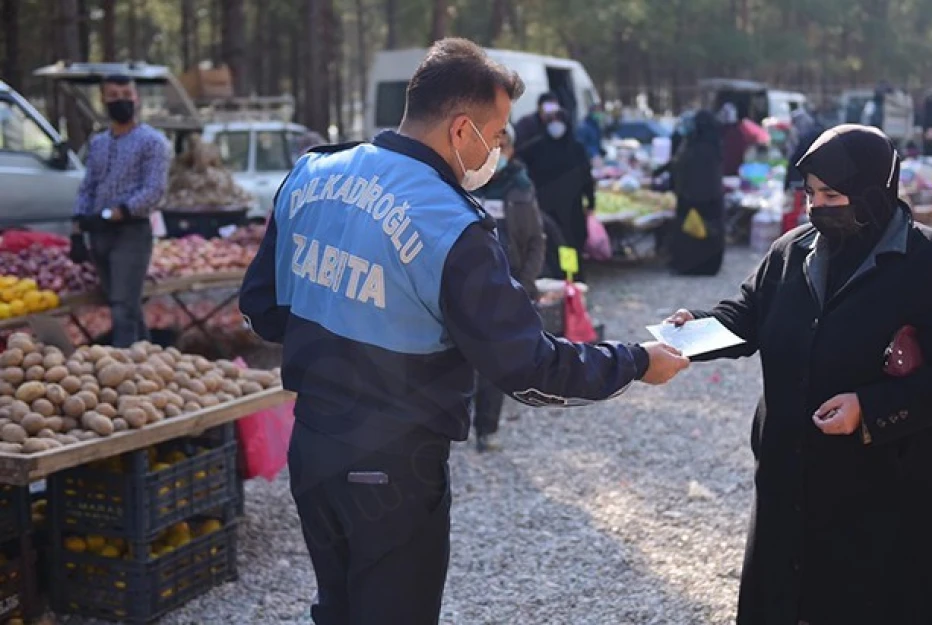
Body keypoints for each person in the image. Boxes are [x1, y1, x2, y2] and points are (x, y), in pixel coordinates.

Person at [239, 38, 689, 625]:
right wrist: (634, 362)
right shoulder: (452, 223)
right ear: (460, 130)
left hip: (315, 445)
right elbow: (527, 370)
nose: (499, 149)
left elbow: (260, 310)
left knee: (338, 608)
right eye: (497, 133)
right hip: (395, 462)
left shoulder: (312, 172)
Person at [664, 124, 932, 625]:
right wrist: (694, 330)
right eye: (812, 193)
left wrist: (872, 409)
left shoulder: (930, 263)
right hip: (790, 475)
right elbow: (747, 315)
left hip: (885, 488)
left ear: (873, 192)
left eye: (833, 194)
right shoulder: (792, 251)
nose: (819, 207)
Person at [71, 74, 171, 347]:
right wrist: (78, 224)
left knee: (122, 306)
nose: (121, 101)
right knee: (124, 300)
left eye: (126, 94)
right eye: (113, 96)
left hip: (131, 232)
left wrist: (118, 212)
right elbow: (89, 185)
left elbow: (154, 190)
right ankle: (149, 357)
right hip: (99, 235)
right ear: (103, 99)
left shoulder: (153, 142)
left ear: (137, 98)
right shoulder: (98, 143)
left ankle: (122, 363)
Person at [469, 122, 547, 452]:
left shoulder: (520, 187)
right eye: (491, 145)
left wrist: (525, 283)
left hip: (506, 285)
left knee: (493, 362)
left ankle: (486, 429)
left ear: (511, 151)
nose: (495, 153)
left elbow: (535, 241)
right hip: (467, 283)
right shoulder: (467, 184)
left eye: (502, 146)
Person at [518, 106, 595, 265]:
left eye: (558, 121)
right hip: (545, 207)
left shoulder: (576, 148)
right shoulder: (536, 149)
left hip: (572, 208)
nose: (555, 125)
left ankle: (570, 279)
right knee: (548, 245)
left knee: (570, 245)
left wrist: (591, 202)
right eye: (551, 121)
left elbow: (586, 177)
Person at [668, 110, 725, 276]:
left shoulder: (698, 148)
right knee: (708, 236)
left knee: (692, 236)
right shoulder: (713, 145)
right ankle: (706, 266)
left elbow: (687, 172)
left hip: (693, 200)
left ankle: (691, 265)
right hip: (711, 201)